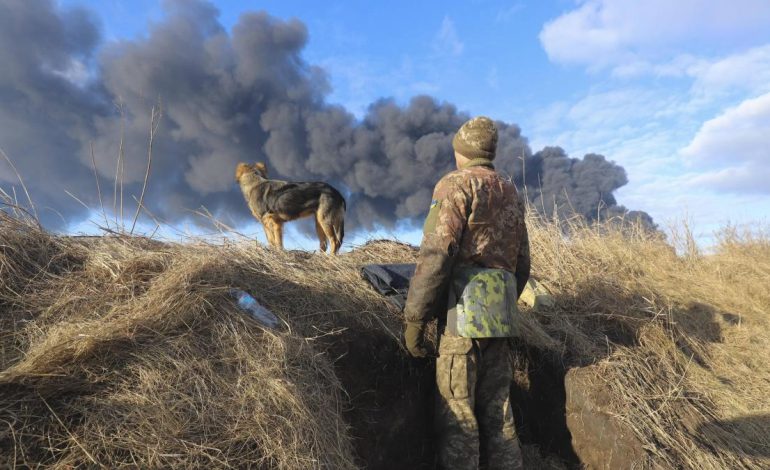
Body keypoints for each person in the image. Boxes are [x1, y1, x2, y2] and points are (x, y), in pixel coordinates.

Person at [403, 116, 530, 470]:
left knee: (458, 417)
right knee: (498, 415)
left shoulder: (454, 185)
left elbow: (436, 255)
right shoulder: (509, 189)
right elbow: (522, 263)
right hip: (500, 318)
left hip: (461, 320)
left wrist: (415, 319)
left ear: (462, 151)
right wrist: (501, 301)